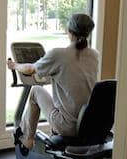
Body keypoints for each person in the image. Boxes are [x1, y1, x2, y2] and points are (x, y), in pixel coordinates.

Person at [7, 13, 100, 151]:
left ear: (69, 30)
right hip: (89, 125)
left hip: (68, 126)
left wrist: (14, 66)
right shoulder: (94, 55)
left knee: (35, 91)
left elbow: (30, 69)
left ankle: (27, 139)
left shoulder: (58, 54)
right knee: (60, 103)